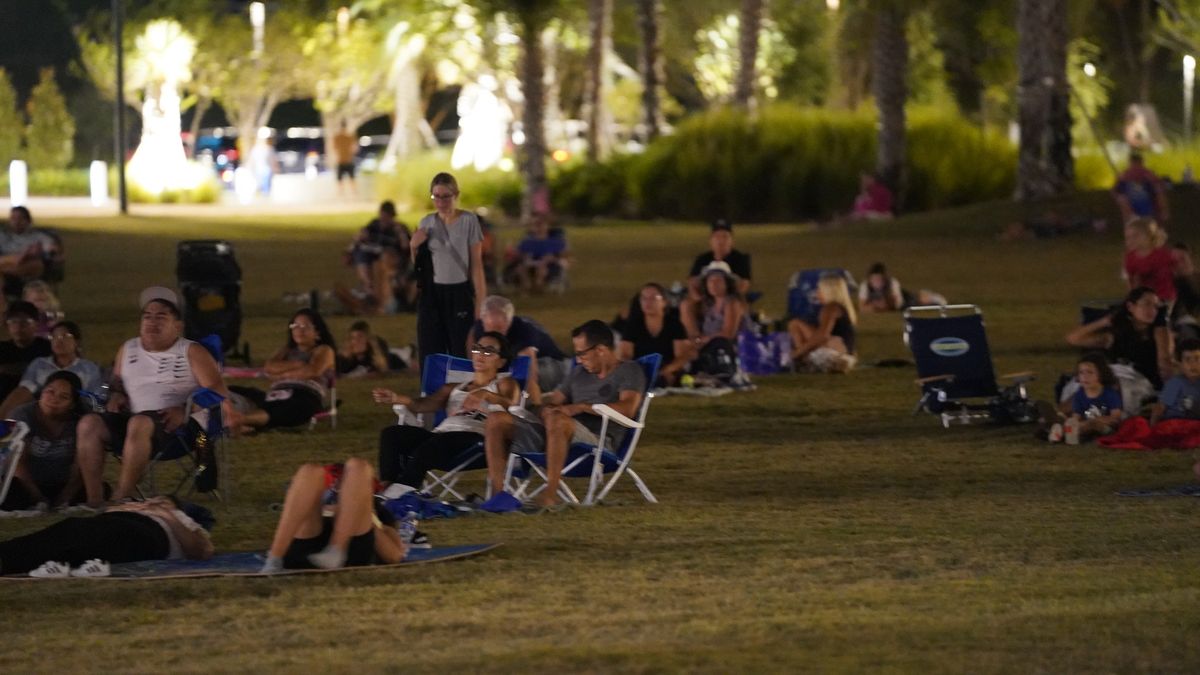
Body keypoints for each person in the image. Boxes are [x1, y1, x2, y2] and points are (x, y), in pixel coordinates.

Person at [74, 286, 233, 508]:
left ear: (178, 326)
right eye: (147, 316)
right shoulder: (128, 348)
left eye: (161, 317)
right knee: (88, 423)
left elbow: (218, 390)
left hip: (179, 430)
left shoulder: (191, 351)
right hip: (132, 421)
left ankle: (120, 498)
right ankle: (94, 500)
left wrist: (186, 411)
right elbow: (115, 380)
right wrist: (117, 393)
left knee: (139, 423)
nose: (152, 321)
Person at [480, 320, 646, 510]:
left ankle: (551, 493)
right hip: (556, 433)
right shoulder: (578, 374)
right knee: (497, 420)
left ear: (600, 349)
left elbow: (628, 409)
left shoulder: (629, 370)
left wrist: (581, 407)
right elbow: (555, 401)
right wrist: (543, 406)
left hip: (598, 441)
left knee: (558, 419)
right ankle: (497, 496)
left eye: (581, 353)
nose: (578, 359)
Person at [372, 331, 520, 491]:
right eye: (477, 348)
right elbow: (423, 405)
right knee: (391, 434)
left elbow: (512, 405)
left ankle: (403, 492)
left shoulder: (503, 384)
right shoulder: (454, 387)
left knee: (429, 448)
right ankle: (386, 486)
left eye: (489, 351)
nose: (480, 354)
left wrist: (487, 395)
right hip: (442, 436)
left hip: (476, 441)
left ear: (501, 361)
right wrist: (396, 398)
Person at [0, 495, 214, 577]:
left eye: (161, 499)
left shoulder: (179, 517)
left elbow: (201, 551)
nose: (151, 502)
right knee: (70, 532)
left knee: (87, 538)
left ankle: (7, 559)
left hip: (149, 535)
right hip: (111, 524)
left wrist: (165, 512)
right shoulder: (132, 507)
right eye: (151, 498)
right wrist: (128, 507)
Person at [258, 458, 406, 573]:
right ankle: (274, 558)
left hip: (351, 550)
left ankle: (336, 550)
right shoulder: (318, 497)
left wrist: (363, 513)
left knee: (359, 466)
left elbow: (394, 555)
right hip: (307, 545)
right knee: (309, 470)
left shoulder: (376, 510)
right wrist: (326, 510)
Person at [411, 172, 487, 361]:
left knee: (460, 345)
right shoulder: (426, 222)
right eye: (436, 196)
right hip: (433, 292)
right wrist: (413, 246)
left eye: (446, 196)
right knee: (430, 346)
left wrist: (480, 301)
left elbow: (476, 264)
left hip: (459, 290)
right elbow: (419, 266)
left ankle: (461, 388)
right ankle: (430, 389)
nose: (441, 201)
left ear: (456, 195)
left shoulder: (468, 221)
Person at [228, 309, 336, 434]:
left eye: (305, 326)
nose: (299, 330)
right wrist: (298, 364)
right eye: (295, 326)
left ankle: (240, 420)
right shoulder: (286, 350)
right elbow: (269, 367)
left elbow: (313, 371)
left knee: (287, 408)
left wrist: (282, 374)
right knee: (233, 389)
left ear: (317, 332)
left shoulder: (324, 350)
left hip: (305, 394)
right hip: (277, 393)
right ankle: (232, 417)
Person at [0, 371, 87, 511]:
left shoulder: (82, 421)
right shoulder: (21, 414)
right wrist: (38, 497)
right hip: (25, 483)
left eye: (63, 397)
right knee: (11, 494)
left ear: (72, 404)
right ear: (41, 393)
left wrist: (65, 497)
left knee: (99, 489)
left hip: (61, 483)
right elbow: (16, 463)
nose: (54, 399)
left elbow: (82, 465)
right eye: (50, 391)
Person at [1065, 286, 1173, 390]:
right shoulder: (1116, 335)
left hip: (1142, 386)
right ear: (1130, 307)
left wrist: (1167, 392)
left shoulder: (1159, 331)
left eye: (1155, 306)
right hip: (1117, 381)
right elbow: (1073, 339)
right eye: (1147, 304)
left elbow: (1164, 362)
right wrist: (1104, 321)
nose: (1152, 310)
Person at [466, 295, 567, 404]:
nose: (495, 334)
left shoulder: (523, 331)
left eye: (499, 328)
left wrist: (532, 406)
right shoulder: (478, 328)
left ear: (509, 322)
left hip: (552, 364)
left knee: (521, 379)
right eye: (490, 327)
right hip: (511, 362)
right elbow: (471, 350)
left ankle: (538, 400)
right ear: (483, 321)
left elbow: (530, 372)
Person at [0, 320, 102, 418]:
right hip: (42, 412)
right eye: (54, 336)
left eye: (65, 336)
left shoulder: (89, 368)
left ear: (77, 342)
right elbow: (26, 389)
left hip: (75, 413)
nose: (58, 340)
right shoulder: (39, 364)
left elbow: (94, 398)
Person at [1039, 353, 1123, 444]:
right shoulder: (1080, 395)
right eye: (1081, 372)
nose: (1085, 376)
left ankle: (1060, 432)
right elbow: (1076, 417)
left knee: (1092, 424)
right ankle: (1062, 432)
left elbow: (1115, 418)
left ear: (1101, 374)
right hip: (1084, 427)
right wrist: (1076, 422)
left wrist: (1100, 420)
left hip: (1104, 428)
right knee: (1075, 424)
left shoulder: (1109, 394)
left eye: (1090, 372)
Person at [618, 283, 690, 387]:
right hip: (641, 368)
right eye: (644, 298)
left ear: (664, 302)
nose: (648, 302)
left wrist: (665, 371)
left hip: (667, 369)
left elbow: (682, 356)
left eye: (653, 298)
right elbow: (625, 354)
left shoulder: (674, 325)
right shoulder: (633, 325)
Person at [346, 201, 412, 312]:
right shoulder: (374, 225)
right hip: (374, 254)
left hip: (392, 258)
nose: (384, 219)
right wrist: (357, 241)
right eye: (383, 215)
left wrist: (401, 234)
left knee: (385, 257)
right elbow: (359, 238)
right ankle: (368, 287)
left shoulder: (399, 228)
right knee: (361, 253)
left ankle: (383, 298)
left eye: (387, 216)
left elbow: (406, 248)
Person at [788, 274, 858, 373]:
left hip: (836, 356)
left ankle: (801, 360)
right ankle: (802, 360)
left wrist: (797, 353)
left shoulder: (831, 308)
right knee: (798, 324)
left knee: (795, 324)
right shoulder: (842, 308)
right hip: (848, 357)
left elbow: (823, 335)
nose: (817, 293)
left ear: (827, 291)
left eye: (819, 289)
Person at [0, 206, 61, 298]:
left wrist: (37, 252)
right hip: (8, 265)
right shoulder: (4, 236)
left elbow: (52, 249)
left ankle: (17, 260)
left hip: (26, 266)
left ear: (28, 221)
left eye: (20, 219)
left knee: (35, 264)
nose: (16, 222)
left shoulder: (38, 236)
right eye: (13, 218)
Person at [0, 300, 52, 401]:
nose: (19, 327)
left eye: (25, 322)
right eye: (13, 321)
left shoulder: (47, 348)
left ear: (36, 324)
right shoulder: (2, 349)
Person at [688, 220, 751, 299]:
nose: (721, 241)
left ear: (732, 240)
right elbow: (692, 283)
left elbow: (744, 285)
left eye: (725, 236)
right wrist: (699, 298)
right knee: (686, 305)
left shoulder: (740, 259)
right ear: (710, 240)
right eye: (717, 236)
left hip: (730, 299)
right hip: (705, 299)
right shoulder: (702, 259)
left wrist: (729, 300)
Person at [1123, 217, 1175, 308]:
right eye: (1128, 237)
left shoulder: (1162, 255)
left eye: (1135, 236)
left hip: (1165, 297)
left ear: (1149, 236)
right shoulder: (1131, 257)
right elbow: (1131, 281)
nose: (1130, 240)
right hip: (1146, 299)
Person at [509, 213, 567, 293]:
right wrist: (513, 252)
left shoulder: (555, 241)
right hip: (529, 264)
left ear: (547, 226)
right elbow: (518, 254)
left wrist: (553, 258)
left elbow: (564, 256)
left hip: (548, 265)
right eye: (536, 225)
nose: (539, 227)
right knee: (521, 269)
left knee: (541, 269)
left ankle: (538, 286)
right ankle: (527, 286)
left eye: (541, 224)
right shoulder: (527, 241)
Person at [857, 262, 945, 313]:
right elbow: (862, 307)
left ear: (884, 278)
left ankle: (933, 297)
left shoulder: (892, 283)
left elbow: (897, 305)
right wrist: (877, 306)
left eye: (879, 279)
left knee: (918, 301)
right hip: (887, 302)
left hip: (903, 300)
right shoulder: (865, 286)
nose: (877, 282)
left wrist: (882, 306)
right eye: (874, 279)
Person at [1151, 338, 1200, 425]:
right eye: (1187, 360)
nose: (1193, 364)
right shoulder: (1175, 383)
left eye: (1197, 359)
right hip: (1173, 424)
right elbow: (1160, 409)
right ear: (1180, 364)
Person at [337, 320, 408, 378]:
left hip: (398, 356)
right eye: (352, 338)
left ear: (368, 339)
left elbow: (381, 371)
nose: (355, 341)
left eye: (360, 337)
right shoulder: (345, 358)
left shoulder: (378, 352)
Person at [1113, 152, 1169, 224]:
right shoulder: (1149, 175)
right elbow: (1160, 193)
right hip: (1146, 214)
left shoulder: (1124, 176)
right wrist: (1164, 209)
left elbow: (1117, 195)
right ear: (1141, 161)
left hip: (1135, 215)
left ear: (1130, 162)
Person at [331, 122, 358, 197]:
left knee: (341, 179)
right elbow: (355, 149)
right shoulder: (349, 137)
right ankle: (353, 193)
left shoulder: (338, 137)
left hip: (342, 160)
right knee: (351, 178)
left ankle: (342, 194)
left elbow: (334, 148)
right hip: (347, 160)